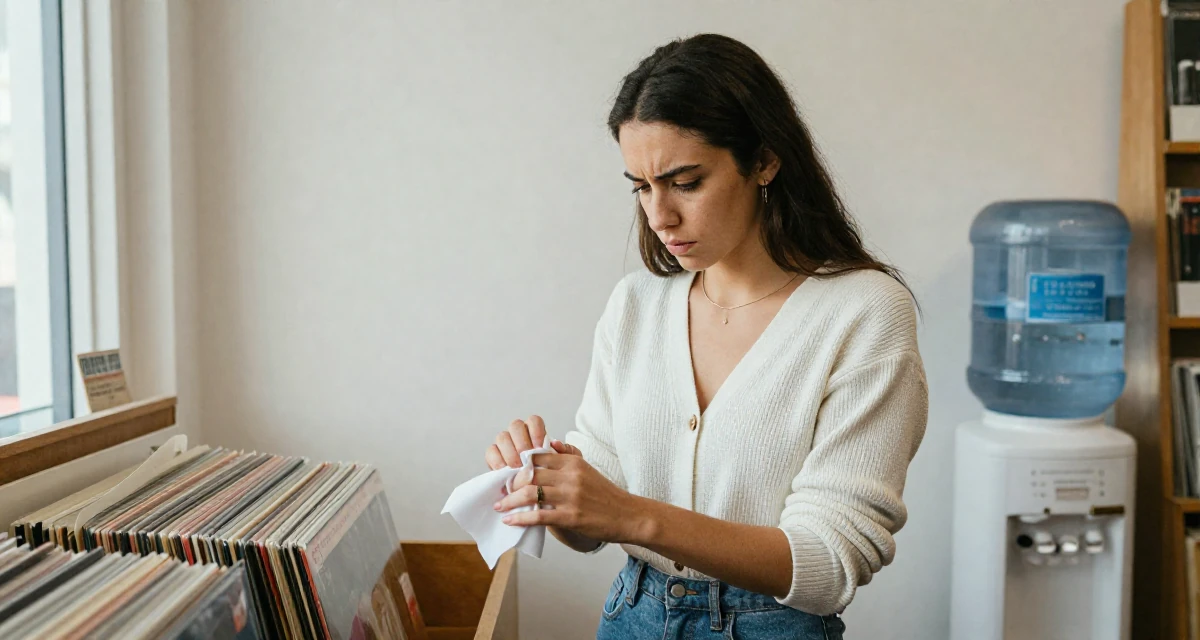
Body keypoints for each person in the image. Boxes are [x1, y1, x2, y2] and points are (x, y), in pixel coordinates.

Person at [486, 33, 928, 640]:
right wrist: (547, 484)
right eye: (641, 187)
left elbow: (830, 563)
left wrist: (633, 516)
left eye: (685, 182)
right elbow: (591, 529)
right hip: (631, 616)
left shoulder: (864, 313)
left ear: (765, 161)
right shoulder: (635, 305)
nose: (658, 215)